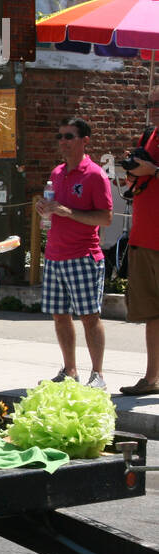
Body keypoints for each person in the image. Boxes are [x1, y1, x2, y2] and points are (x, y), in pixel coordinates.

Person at [37, 117, 112, 390]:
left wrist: (69, 212)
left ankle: (98, 375)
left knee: (89, 317)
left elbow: (105, 218)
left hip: (83, 256)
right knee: (60, 316)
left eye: (69, 136)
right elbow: (55, 209)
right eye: (60, 136)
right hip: (55, 255)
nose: (63, 142)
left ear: (84, 141)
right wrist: (45, 209)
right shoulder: (56, 173)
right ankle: (70, 371)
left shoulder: (95, 174)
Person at [119, 126, 159, 395]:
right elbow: (132, 184)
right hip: (143, 239)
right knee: (151, 314)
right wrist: (133, 170)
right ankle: (151, 378)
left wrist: (154, 171)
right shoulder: (151, 134)